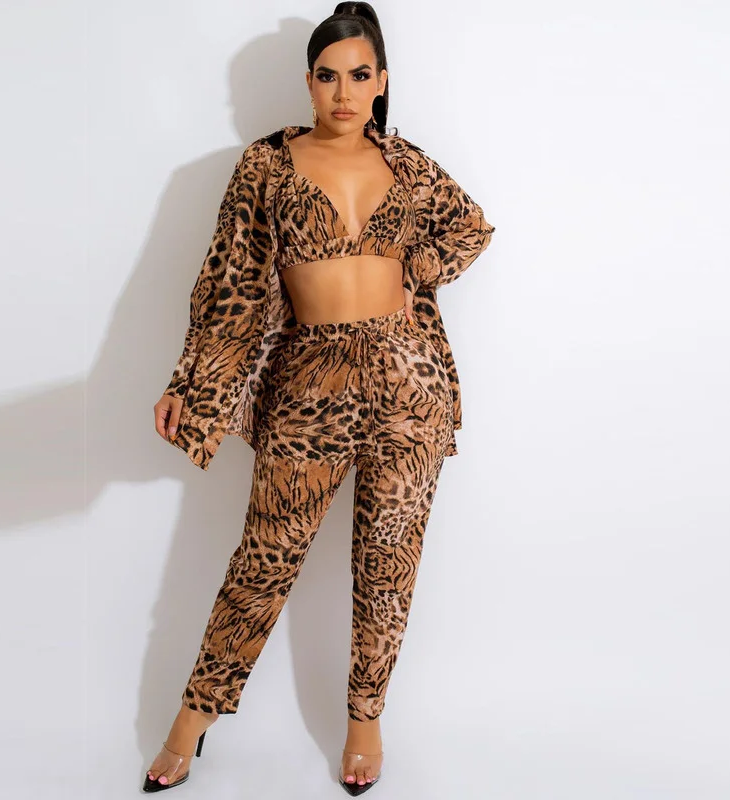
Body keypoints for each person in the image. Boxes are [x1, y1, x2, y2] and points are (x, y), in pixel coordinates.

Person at [144, 2, 495, 794]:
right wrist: (188, 382)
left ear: (381, 82)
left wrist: (414, 271)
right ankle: (190, 720)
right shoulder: (265, 165)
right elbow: (230, 287)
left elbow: (469, 229)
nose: (343, 93)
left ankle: (365, 720)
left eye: (358, 76)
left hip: (409, 382)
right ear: (308, 82)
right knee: (263, 561)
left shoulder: (408, 164)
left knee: (387, 566)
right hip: (310, 381)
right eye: (328, 76)